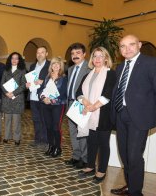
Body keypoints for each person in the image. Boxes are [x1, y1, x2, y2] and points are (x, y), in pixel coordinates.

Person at [110, 34, 156, 196]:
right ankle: (130, 186)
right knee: (125, 154)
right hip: (122, 115)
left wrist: (149, 112)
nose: (127, 49)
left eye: (131, 45)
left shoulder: (152, 64)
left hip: (139, 119)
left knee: (135, 157)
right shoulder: (121, 67)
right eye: (122, 46)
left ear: (139, 45)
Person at [75, 47, 117, 183]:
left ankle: (102, 170)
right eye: (95, 56)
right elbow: (78, 92)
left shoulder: (111, 74)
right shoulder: (88, 75)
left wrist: (93, 106)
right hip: (88, 114)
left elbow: (109, 93)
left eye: (101, 56)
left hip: (103, 115)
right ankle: (90, 166)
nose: (97, 59)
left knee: (103, 144)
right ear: (92, 59)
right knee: (91, 142)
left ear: (106, 58)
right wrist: (86, 102)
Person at [65, 43, 91, 168]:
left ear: (84, 54)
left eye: (78, 53)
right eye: (73, 54)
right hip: (70, 103)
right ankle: (76, 156)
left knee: (82, 133)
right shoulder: (70, 69)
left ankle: (85, 159)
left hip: (81, 104)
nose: (75, 56)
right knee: (72, 132)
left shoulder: (89, 68)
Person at [38, 57, 68, 157]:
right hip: (45, 105)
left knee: (56, 127)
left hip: (58, 105)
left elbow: (63, 93)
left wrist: (51, 100)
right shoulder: (47, 77)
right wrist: (43, 98)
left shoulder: (63, 78)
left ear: (60, 66)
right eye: (54, 63)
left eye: (58, 64)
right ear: (51, 65)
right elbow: (41, 90)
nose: (55, 65)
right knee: (48, 127)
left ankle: (57, 147)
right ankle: (51, 146)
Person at [1, 52, 27, 145]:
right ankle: (6, 137)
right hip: (7, 98)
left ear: (19, 60)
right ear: (10, 60)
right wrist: (6, 92)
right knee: (7, 119)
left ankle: (17, 138)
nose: (14, 60)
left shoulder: (22, 71)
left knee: (16, 120)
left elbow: (23, 85)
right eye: (13, 58)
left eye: (16, 58)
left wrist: (14, 93)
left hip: (17, 98)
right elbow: (1, 84)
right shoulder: (5, 70)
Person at [26, 46, 50, 146]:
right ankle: (38, 139)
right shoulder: (32, 66)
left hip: (43, 97)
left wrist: (43, 81)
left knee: (44, 119)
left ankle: (45, 140)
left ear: (46, 54)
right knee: (36, 119)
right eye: (38, 53)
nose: (39, 54)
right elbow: (29, 80)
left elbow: (55, 79)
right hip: (33, 97)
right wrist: (27, 85)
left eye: (42, 52)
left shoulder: (50, 65)